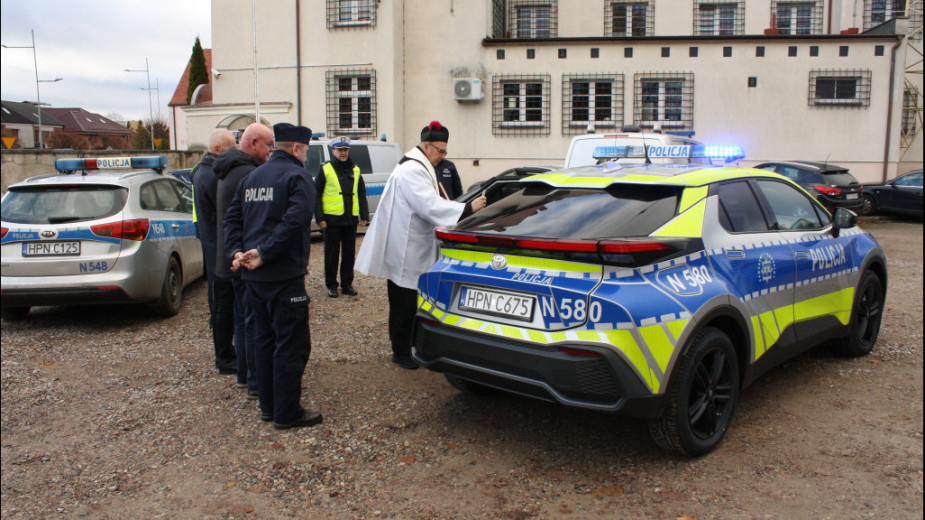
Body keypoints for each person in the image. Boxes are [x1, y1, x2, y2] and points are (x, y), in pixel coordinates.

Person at [355, 121, 487, 369]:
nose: (443, 156)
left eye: (445, 151)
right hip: (407, 249)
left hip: (408, 245)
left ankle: (406, 346)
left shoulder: (417, 165)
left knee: (405, 301)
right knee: (404, 303)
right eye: (440, 151)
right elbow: (429, 206)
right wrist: (467, 208)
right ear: (427, 146)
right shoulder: (413, 170)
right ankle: (401, 352)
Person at [224, 122, 322, 430]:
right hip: (284, 276)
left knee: (263, 340)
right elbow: (295, 221)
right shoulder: (297, 177)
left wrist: (236, 252)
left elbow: (232, 219)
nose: (305, 156)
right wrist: (265, 252)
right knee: (291, 344)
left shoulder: (252, 178)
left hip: (254, 278)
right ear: (296, 148)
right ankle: (286, 412)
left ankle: (268, 406)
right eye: (305, 151)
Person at [213, 123, 274, 397]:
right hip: (245, 260)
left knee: (241, 319)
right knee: (252, 322)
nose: (271, 150)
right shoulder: (248, 174)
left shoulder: (228, 169)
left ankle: (244, 374)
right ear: (253, 143)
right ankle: (255, 380)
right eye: (268, 144)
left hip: (230, 256)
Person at [192, 129, 237, 375]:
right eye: (231, 148)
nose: (235, 152)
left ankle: (226, 353)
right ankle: (224, 356)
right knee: (222, 305)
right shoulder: (211, 175)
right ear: (217, 149)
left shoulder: (203, 171)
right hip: (218, 249)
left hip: (213, 247)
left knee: (221, 303)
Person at [314, 136, 369, 298]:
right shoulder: (326, 169)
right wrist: (320, 218)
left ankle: (347, 284)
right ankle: (331, 285)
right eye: (340, 150)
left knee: (349, 254)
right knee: (331, 254)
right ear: (333, 151)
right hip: (332, 220)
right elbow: (316, 194)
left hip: (350, 219)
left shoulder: (355, 169)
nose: (343, 153)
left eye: (345, 150)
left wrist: (364, 215)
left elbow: (361, 193)